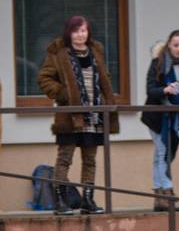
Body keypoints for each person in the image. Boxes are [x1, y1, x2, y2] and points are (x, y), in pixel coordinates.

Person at [37, 15, 119, 215]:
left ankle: (88, 200)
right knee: (65, 157)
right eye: (76, 31)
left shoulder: (96, 51)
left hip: (94, 114)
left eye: (84, 30)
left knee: (90, 159)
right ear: (69, 32)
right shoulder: (58, 53)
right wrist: (64, 94)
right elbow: (44, 78)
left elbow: (104, 81)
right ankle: (60, 201)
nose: (81, 35)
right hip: (70, 115)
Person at [141, 30, 179, 212]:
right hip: (158, 116)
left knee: (163, 154)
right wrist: (166, 90)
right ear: (169, 44)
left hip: (178, 116)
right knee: (162, 152)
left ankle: (159, 195)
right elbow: (150, 89)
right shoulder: (158, 62)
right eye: (175, 45)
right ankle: (167, 193)